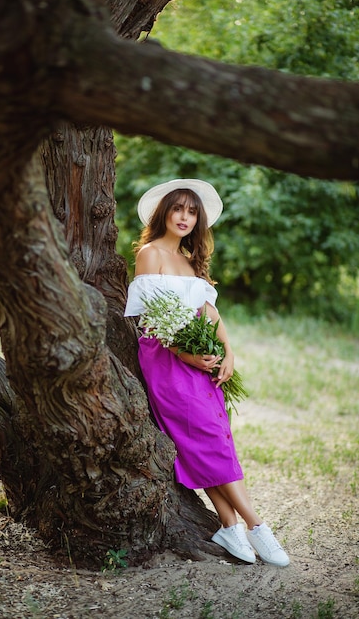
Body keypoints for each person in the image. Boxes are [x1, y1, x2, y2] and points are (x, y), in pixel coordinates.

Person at [124, 178, 290, 567]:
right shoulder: (151, 254)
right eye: (178, 208)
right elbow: (149, 320)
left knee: (211, 439)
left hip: (201, 359)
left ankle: (229, 526)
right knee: (208, 438)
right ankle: (257, 526)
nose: (184, 217)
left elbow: (209, 313)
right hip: (166, 360)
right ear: (164, 212)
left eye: (192, 211)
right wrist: (185, 354)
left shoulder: (188, 260)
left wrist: (228, 352)